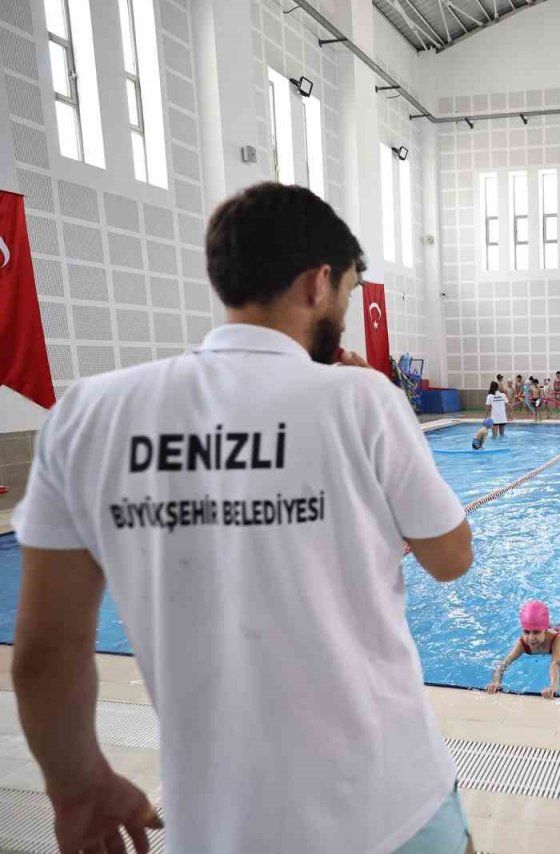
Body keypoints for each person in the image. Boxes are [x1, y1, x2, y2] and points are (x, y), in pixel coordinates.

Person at [9, 183, 475, 854]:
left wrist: (76, 785)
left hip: (218, 829)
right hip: (391, 808)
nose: (344, 312)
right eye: (347, 293)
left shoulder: (88, 415)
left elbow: (45, 650)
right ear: (318, 283)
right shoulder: (362, 400)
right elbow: (451, 558)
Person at [486, 600, 560, 699]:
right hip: (551, 628)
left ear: (545, 629)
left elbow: (555, 663)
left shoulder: (557, 639)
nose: (531, 638)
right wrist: (495, 682)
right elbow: (504, 663)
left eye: (536, 632)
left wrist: (553, 687)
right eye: (526, 632)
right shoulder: (522, 643)